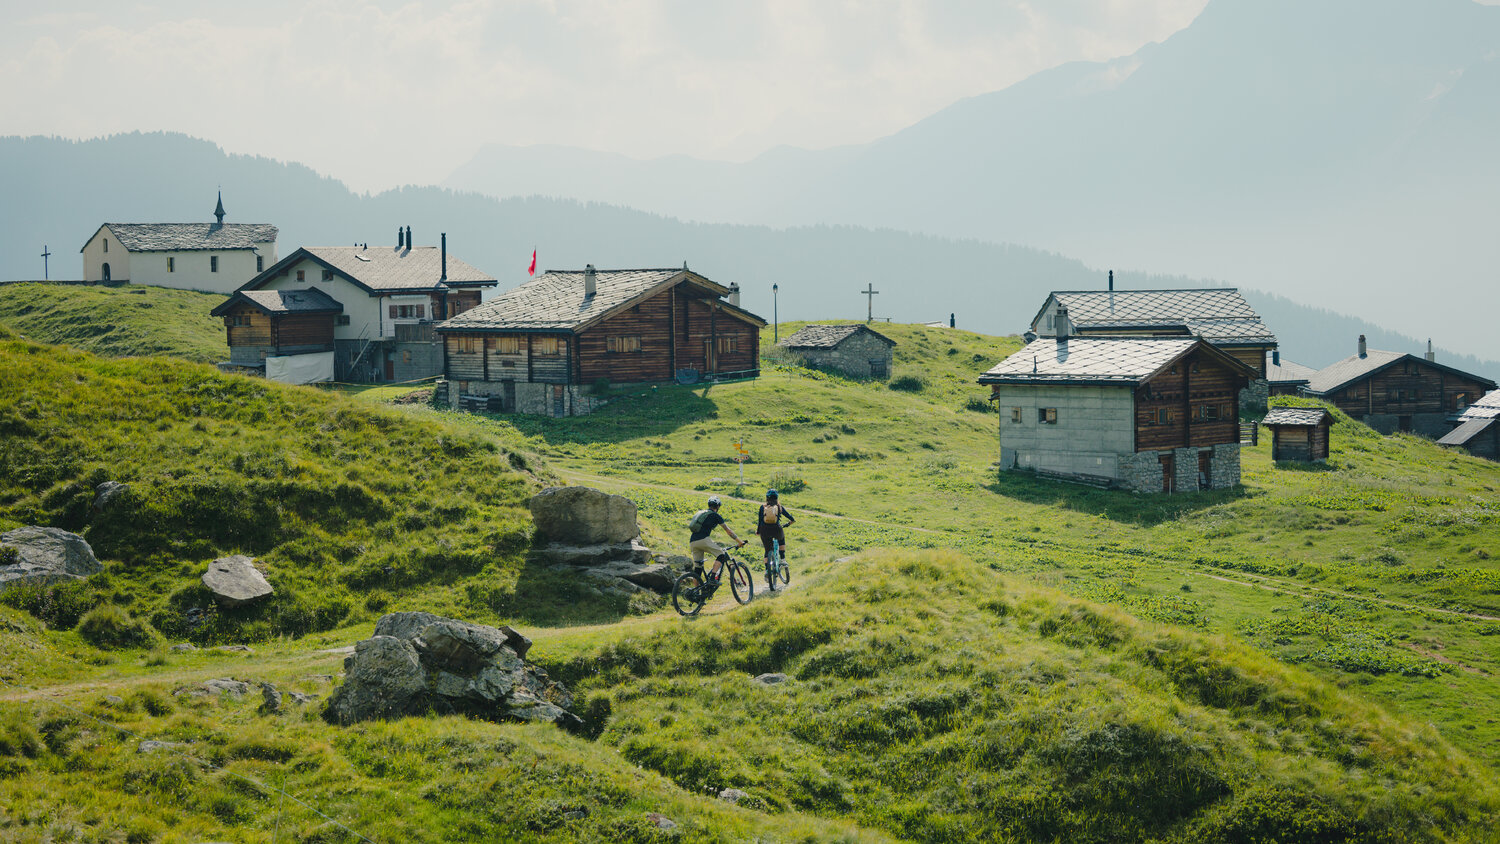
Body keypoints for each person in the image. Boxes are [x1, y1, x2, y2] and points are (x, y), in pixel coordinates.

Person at [687, 496, 745, 584]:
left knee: (698, 569)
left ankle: (696, 594)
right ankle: (713, 577)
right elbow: (728, 531)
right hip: (703, 540)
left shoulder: (702, 513)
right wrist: (740, 542)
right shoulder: (715, 515)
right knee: (722, 555)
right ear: (718, 506)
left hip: (693, 542)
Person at [756, 489, 795, 576]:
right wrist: (788, 524)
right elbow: (791, 519)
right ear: (777, 498)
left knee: (767, 550)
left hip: (764, 531)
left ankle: (767, 570)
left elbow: (759, 521)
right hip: (776, 529)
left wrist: (758, 532)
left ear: (767, 498)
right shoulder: (779, 507)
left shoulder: (762, 507)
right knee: (781, 539)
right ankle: (783, 560)